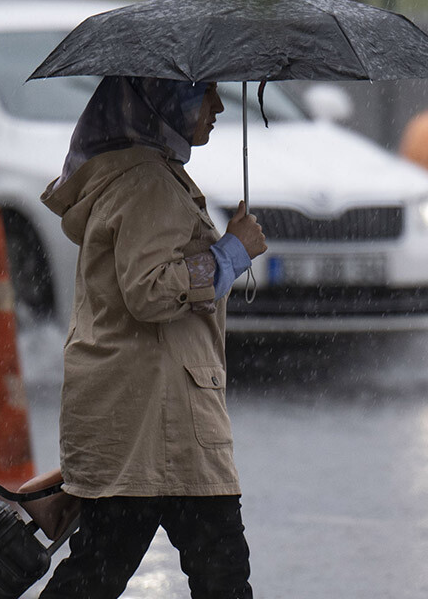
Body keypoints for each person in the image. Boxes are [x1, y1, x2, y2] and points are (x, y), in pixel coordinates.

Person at [39, 76, 267, 599]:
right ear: (163, 98)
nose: (216, 106)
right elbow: (150, 291)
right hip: (164, 421)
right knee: (222, 576)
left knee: (99, 570)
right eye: (202, 92)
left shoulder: (142, 173)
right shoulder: (148, 181)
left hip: (141, 416)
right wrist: (233, 251)